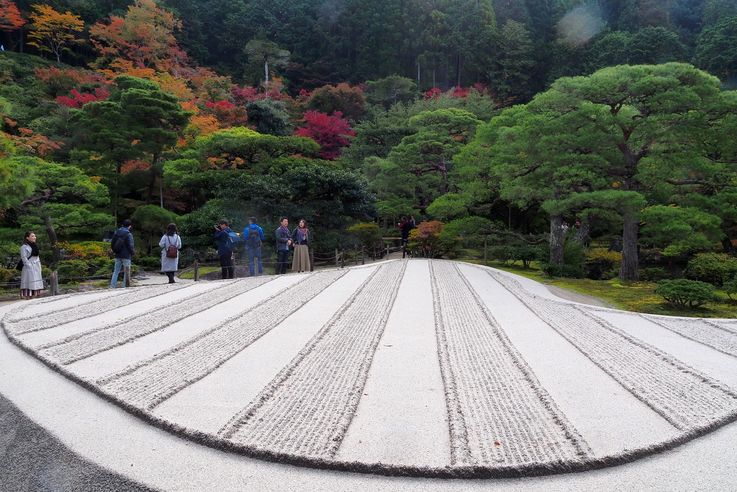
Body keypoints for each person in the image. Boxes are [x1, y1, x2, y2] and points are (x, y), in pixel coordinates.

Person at [110, 219, 134, 288]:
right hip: (126, 255)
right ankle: (124, 286)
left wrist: (114, 251)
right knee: (126, 272)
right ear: (129, 226)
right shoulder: (128, 234)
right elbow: (130, 246)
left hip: (117, 254)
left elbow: (112, 243)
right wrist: (132, 253)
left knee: (116, 271)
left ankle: (112, 286)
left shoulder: (117, 232)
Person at [19, 231, 43, 299]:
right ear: (27, 237)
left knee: (36, 280)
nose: (34, 237)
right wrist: (28, 265)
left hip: (36, 264)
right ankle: (27, 295)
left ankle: (36, 294)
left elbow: (37, 255)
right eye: (32, 236)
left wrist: (39, 264)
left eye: (34, 236)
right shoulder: (24, 247)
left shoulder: (35, 245)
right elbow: (23, 257)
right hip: (29, 265)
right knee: (28, 280)